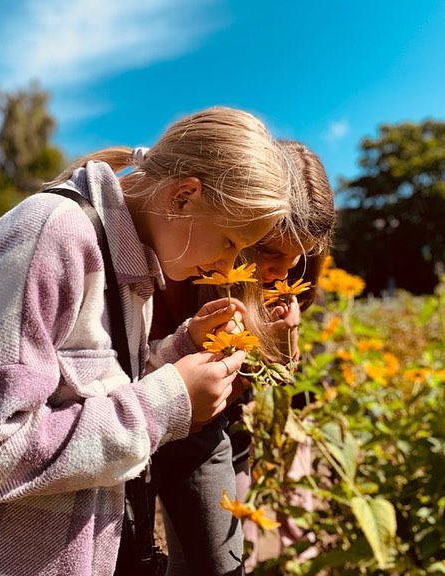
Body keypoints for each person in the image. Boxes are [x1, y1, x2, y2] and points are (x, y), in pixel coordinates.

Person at [0, 107, 307, 576]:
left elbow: (82, 391)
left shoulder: (131, 266)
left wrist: (179, 354)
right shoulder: (51, 236)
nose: (225, 265)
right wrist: (169, 401)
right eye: (232, 243)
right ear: (184, 197)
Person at [148, 140, 335, 575]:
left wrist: (284, 339)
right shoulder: (180, 264)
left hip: (242, 416)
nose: (284, 274)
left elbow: (281, 371)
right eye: (270, 252)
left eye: (299, 259)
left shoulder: (294, 269)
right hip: (176, 417)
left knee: (252, 544)